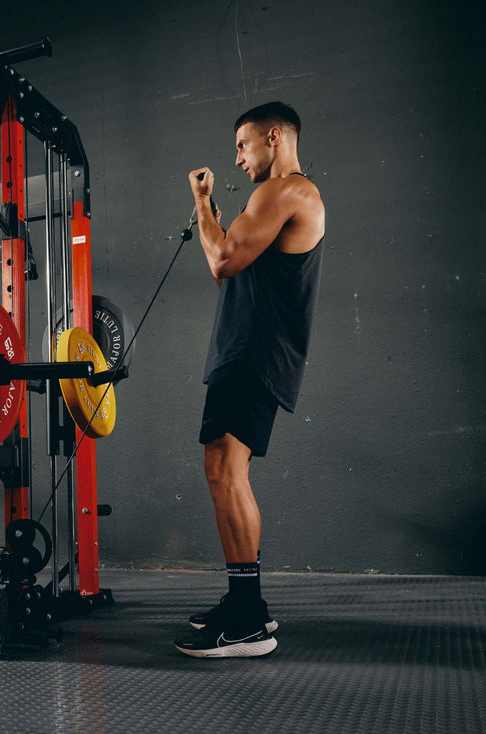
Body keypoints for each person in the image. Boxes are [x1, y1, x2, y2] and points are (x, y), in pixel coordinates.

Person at [176, 101, 325, 658]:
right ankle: (246, 603)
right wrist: (213, 212)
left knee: (224, 467)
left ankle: (247, 620)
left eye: (243, 145)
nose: (237, 158)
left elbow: (221, 261)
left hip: (255, 355)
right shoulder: (275, 199)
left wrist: (201, 202)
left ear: (274, 136)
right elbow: (234, 278)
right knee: (223, 465)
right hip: (245, 350)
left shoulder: (287, 191)